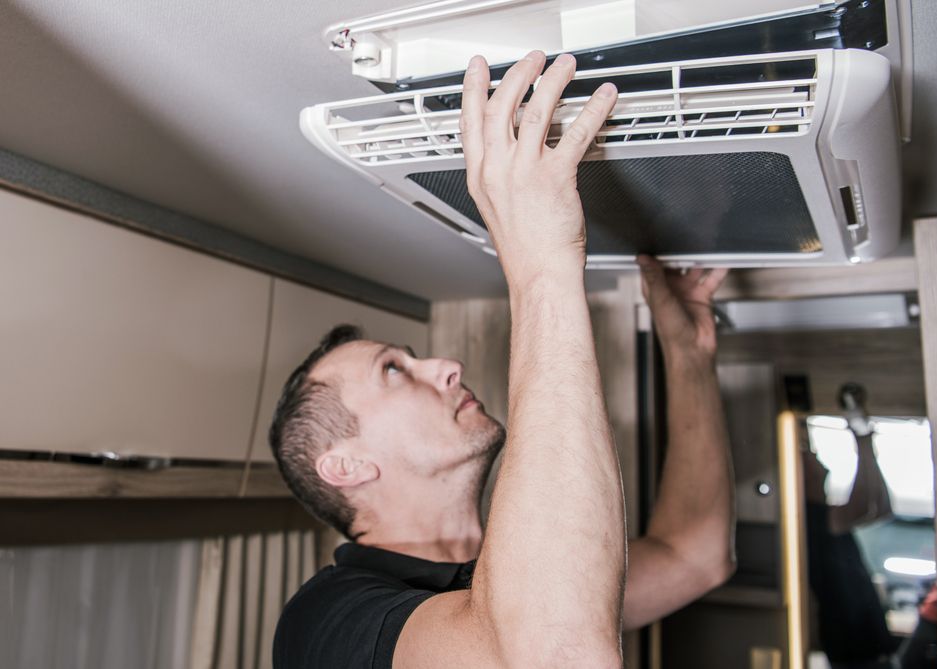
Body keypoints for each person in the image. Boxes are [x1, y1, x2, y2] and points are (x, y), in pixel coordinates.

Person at [270, 50, 735, 669]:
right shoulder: (327, 621)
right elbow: (556, 654)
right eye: (393, 370)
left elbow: (694, 556)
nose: (446, 365)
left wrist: (689, 355)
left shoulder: (506, 571)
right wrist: (541, 264)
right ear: (346, 466)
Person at [804, 383, 897, 669]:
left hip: (860, 645)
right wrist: (861, 434)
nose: (818, 458)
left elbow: (881, 507)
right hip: (853, 646)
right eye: (809, 454)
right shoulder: (814, 518)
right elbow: (866, 501)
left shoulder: (824, 516)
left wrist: (864, 438)